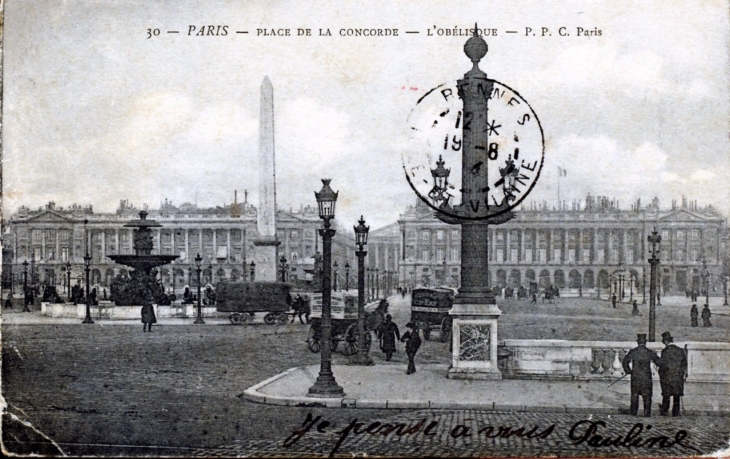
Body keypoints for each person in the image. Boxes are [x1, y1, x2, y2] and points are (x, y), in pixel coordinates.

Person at [622, 333, 659, 417]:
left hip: (636, 376)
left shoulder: (633, 351)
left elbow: (625, 361)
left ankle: (633, 412)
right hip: (646, 377)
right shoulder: (649, 352)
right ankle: (647, 412)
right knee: (647, 395)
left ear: (638, 342)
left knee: (634, 395)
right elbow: (658, 362)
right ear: (645, 342)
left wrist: (628, 371)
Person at [656, 332, 687, 417]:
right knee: (676, 395)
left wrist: (660, 373)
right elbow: (684, 364)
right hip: (678, 377)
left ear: (665, 341)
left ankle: (665, 410)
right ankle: (675, 412)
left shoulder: (665, 351)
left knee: (666, 395)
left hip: (667, 376)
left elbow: (663, 364)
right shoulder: (680, 350)